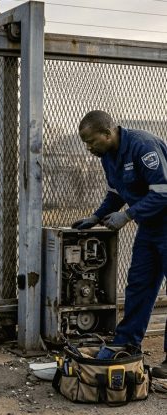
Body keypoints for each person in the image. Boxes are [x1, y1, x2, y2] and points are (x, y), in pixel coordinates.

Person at [72, 110, 167, 377]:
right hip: (150, 227)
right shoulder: (108, 156)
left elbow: (163, 191)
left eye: (91, 141)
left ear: (107, 133)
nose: (89, 148)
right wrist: (96, 216)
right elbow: (116, 192)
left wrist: (127, 215)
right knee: (139, 285)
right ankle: (126, 343)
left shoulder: (142, 146)